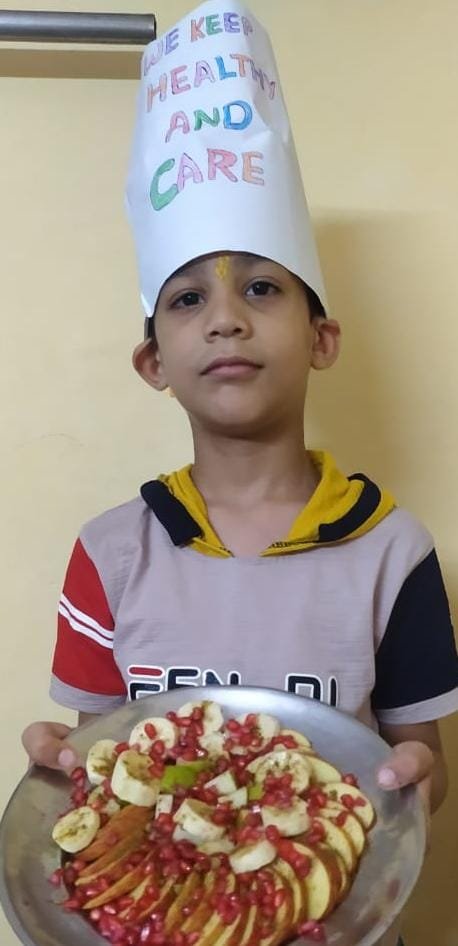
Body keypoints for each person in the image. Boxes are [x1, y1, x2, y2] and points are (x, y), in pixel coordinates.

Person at [21, 3, 457, 945]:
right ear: (155, 361)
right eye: (187, 299)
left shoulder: (394, 551)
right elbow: (94, 763)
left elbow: (423, 761)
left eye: (262, 287)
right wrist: (58, 761)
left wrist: (416, 782)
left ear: (322, 337)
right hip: (163, 915)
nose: (226, 318)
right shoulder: (110, 552)